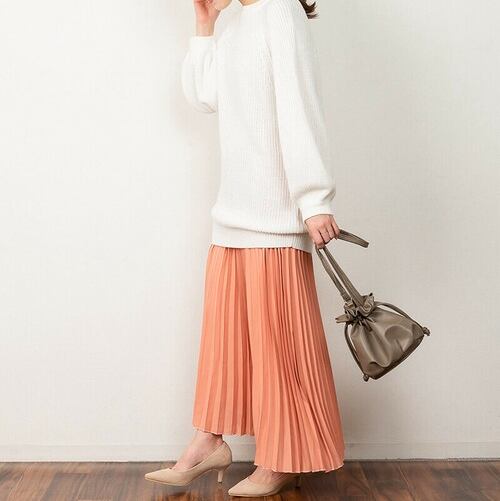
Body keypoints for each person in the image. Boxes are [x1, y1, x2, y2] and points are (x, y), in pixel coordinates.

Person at [145, 0, 345, 496]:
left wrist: (314, 199)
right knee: (225, 345)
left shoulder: (280, 13)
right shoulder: (236, 21)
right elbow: (204, 96)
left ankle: (281, 458)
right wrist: (205, 24)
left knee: (279, 349)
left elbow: (301, 106)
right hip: (231, 215)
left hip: (274, 219)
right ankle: (208, 441)